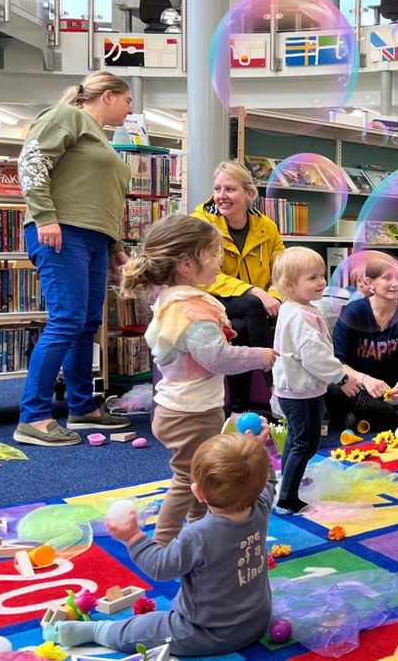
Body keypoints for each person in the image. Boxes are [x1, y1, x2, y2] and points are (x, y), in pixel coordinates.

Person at [120, 214, 275, 545]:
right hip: (189, 414)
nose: (219, 259)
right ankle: (162, 545)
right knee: (186, 478)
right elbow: (217, 358)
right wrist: (260, 356)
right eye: (213, 252)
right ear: (187, 264)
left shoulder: (173, 298)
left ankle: (197, 526)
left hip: (180, 408)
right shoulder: (192, 311)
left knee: (196, 474)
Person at [48, 432, 275, 657]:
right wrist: (260, 448)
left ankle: (97, 630)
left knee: (144, 629)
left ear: (198, 493)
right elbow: (270, 481)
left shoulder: (199, 535)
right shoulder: (261, 505)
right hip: (258, 619)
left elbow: (160, 566)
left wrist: (132, 537)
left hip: (210, 633)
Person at [14, 70, 135, 447]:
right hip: (62, 230)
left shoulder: (98, 136)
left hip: (93, 238)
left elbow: (101, 195)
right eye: (128, 101)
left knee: (86, 324)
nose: (131, 110)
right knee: (66, 321)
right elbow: (32, 162)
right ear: (109, 96)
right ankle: (33, 417)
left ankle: (82, 407)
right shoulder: (67, 116)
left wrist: (115, 247)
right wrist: (45, 217)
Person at [270, 247, 362, 514]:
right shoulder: (299, 316)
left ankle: (286, 482)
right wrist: (342, 377)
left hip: (303, 388)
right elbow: (314, 356)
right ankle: (287, 496)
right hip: (298, 390)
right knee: (304, 442)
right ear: (289, 285)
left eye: (322, 276)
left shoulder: (301, 308)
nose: (321, 282)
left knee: (300, 439)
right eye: (312, 278)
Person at [192, 160, 287, 415]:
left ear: (249, 194)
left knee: (241, 329)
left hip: (251, 311)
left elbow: (282, 270)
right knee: (252, 304)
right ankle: (274, 388)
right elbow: (205, 276)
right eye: (217, 189)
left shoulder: (266, 227)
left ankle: (238, 410)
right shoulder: (201, 224)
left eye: (230, 189)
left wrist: (275, 297)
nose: (221, 196)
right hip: (211, 299)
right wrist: (255, 291)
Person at [329, 252, 398, 434]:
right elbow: (337, 362)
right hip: (359, 388)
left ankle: (376, 417)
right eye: (387, 278)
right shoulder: (353, 312)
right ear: (369, 282)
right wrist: (365, 380)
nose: (395, 284)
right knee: (333, 387)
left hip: (395, 391)